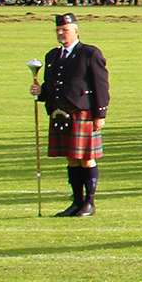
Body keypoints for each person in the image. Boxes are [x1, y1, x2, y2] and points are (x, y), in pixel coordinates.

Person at [33, 12, 109, 217]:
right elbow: (52, 86)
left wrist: (100, 114)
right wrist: (40, 93)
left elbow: (101, 85)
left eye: (65, 30)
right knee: (71, 159)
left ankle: (89, 203)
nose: (61, 33)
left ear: (75, 31)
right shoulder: (52, 56)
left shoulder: (89, 53)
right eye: (58, 29)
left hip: (83, 112)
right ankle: (76, 202)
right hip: (60, 113)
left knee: (86, 158)